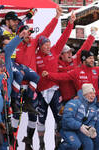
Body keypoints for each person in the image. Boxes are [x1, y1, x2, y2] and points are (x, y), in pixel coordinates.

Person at [34, 12, 76, 150]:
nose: (47, 47)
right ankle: (41, 144)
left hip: (54, 91)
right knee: (41, 120)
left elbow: (64, 37)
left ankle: (58, 144)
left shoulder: (55, 51)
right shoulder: (35, 56)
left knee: (60, 119)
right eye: (45, 45)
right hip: (40, 92)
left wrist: (70, 23)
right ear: (40, 46)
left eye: (49, 44)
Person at [59, 83, 97, 150]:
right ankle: (60, 147)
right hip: (67, 129)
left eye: (94, 93)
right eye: (90, 93)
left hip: (80, 130)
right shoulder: (74, 103)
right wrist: (80, 126)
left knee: (89, 145)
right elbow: (66, 119)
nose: (93, 95)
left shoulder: (93, 107)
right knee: (75, 145)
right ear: (84, 94)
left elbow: (92, 121)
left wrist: (91, 128)